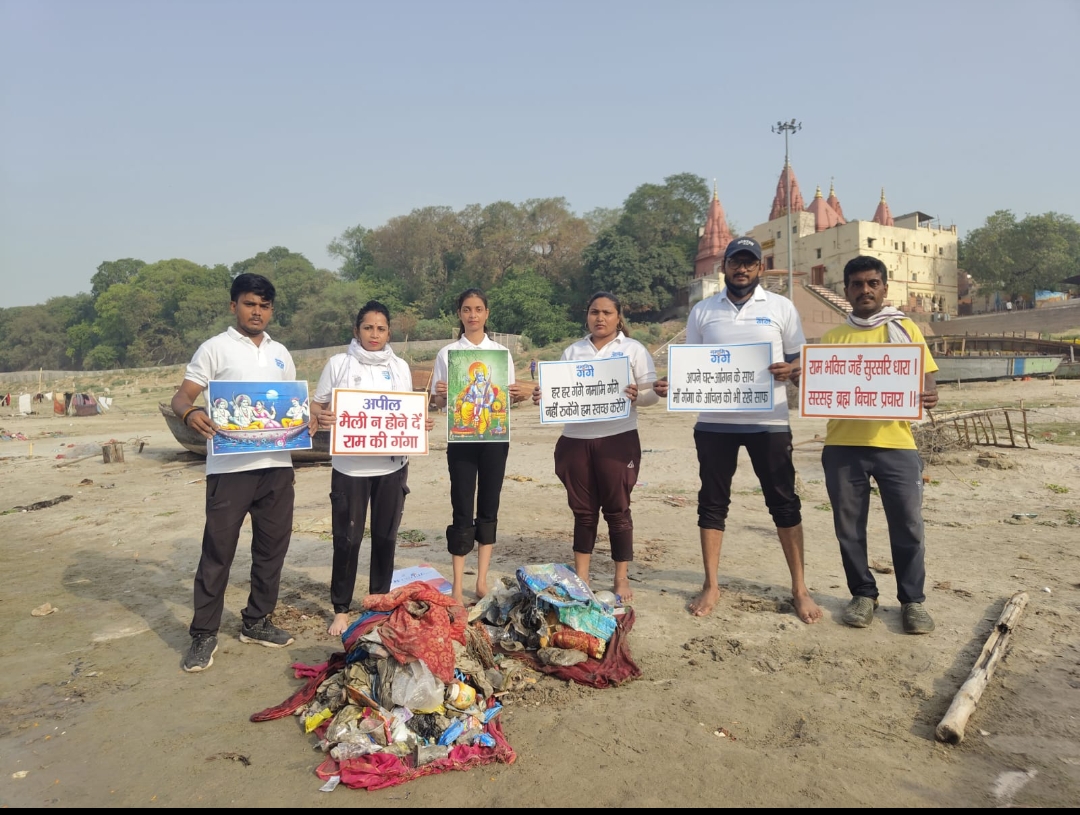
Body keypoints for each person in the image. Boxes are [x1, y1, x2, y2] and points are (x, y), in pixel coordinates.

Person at [654, 236, 822, 624]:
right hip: (714, 424)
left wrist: (792, 371)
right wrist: (671, 383)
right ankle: (711, 583)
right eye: (735, 262)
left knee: (784, 501)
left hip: (770, 421)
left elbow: (801, 362)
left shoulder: (782, 308)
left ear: (760, 268)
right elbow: (692, 366)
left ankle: (800, 588)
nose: (742, 269)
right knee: (712, 502)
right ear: (723, 267)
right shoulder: (702, 311)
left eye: (749, 263)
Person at [170, 273, 298, 673]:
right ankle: (203, 633)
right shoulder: (214, 349)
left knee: (271, 548)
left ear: (271, 310)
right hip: (230, 469)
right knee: (218, 551)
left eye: (263, 305)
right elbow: (182, 396)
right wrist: (191, 413)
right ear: (233, 306)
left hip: (277, 467)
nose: (256, 312)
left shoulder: (282, 353)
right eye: (249, 304)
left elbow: (292, 408)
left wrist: (310, 416)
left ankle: (257, 620)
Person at [820, 256, 939, 634]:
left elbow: (929, 381)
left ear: (885, 288)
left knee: (907, 525)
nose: (865, 290)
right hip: (842, 445)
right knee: (849, 527)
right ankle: (862, 593)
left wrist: (929, 395)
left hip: (896, 445)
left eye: (873, 283)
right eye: (857, 284)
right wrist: (801, 382)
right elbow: (819, 388)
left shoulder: (906, 331)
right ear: (846, 291)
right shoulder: (833, 339)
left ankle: (913, 602)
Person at [308, 301, 435, 636]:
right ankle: (341, 607)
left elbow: (404, 412)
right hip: (350, 467)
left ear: (388, 332)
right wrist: (322, 416)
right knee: (347, 539)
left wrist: (419, 423)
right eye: (368, 328)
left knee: (385, 537)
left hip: (392, 466)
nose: (374, 334)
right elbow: (317, 406)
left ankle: (380, 601)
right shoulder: (338, 364)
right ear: (356, 331)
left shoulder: (400, 367)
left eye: (380, 329)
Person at [531, 292, 657, 601]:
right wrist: (543, 397)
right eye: (594, 312)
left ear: (619, 317)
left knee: (618, 509)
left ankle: (621, 578)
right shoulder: (573, 351)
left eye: (607, 313)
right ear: (587, 316)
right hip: (575, 441)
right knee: (583, 512)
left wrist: (636, 396)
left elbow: (652, 394)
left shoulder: (633, 349)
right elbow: (557, 392)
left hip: (618, 439)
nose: (600, 318)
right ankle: (582, 577)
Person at [431, 288, 528, 606]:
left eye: (478, 309)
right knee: (461, 505)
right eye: (466, 309)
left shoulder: (500, 354)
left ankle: (482, 580)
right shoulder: (448, 354)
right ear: (459, 314)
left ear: (487, 313)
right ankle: (458, 585)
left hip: (494, 440)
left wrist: (510, 394)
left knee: (489, 504)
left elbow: (504, 397)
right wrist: (444, 393)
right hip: (461, 441)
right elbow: (441, 400)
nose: (472, 315)